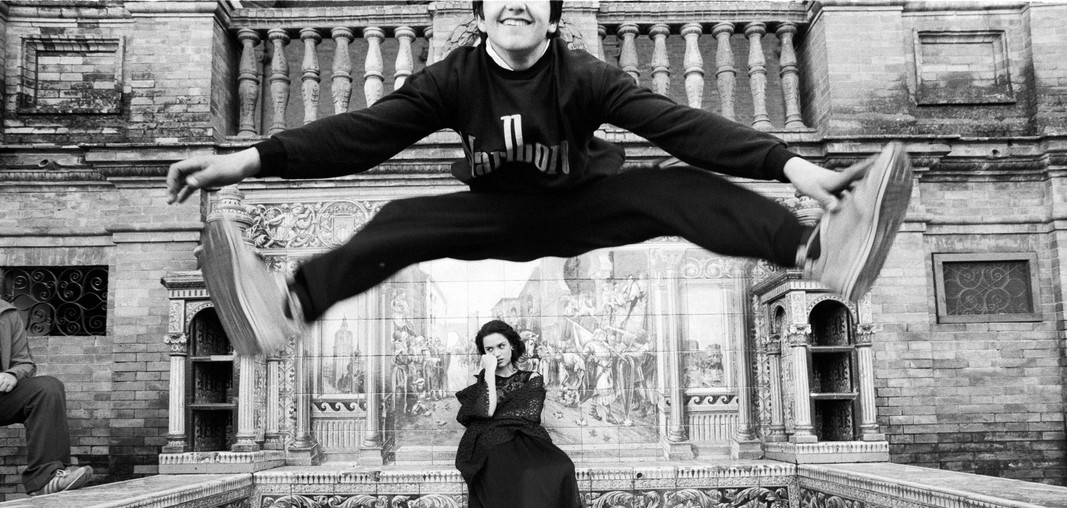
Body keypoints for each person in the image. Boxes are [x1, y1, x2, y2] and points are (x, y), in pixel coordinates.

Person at [165, 0, 912, 357]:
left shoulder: (582, 75)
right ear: (485, 17)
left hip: (580, 207)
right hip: (494, 213)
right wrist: (245, 159)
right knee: (398, 219)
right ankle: (286, 306)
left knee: (681, 190)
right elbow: (358, 135)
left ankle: (819, 252)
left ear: (550, 22)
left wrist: (793, 166)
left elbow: (678, 123)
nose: (514, 2)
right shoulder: (451, 79)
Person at [455, 320, 588, 508]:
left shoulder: (532, 378)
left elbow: (528, 414)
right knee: (523, 480)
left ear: (513, 346)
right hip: (490, 445)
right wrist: (488, 373)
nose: (497, 352)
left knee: (559, 468)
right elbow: (486, 411)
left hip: (526, 438)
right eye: (489, 349)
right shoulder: (483, 382)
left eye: (501, 346)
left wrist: (497, 411)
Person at [0, 300, 93, 496]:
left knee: (48, 388)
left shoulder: (6, 313)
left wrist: (12, 374)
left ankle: (47, 478)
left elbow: (24, 362)